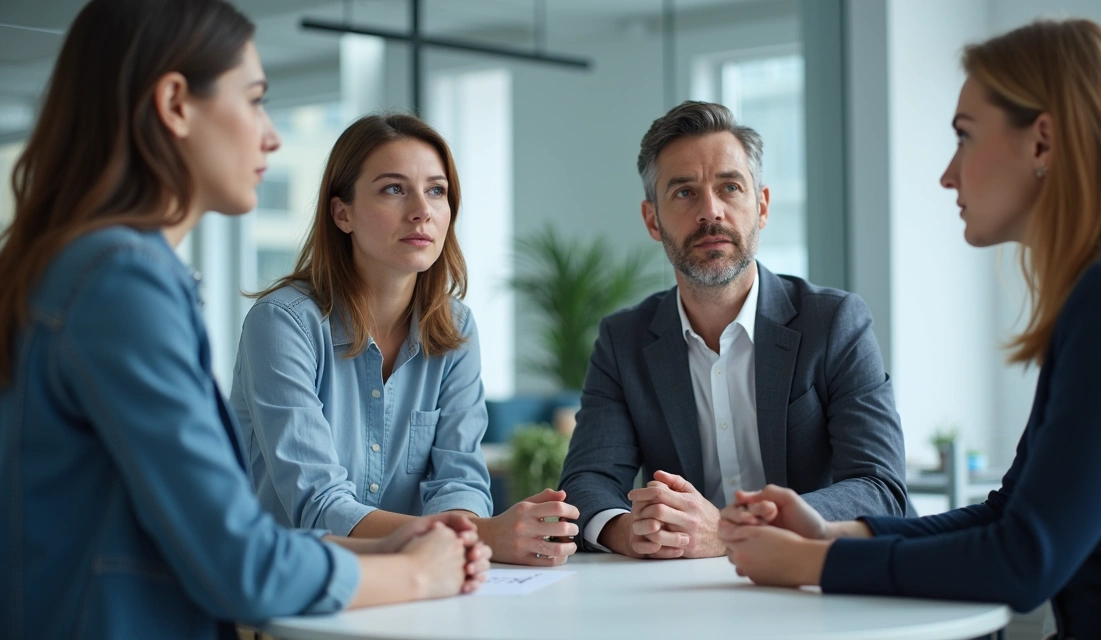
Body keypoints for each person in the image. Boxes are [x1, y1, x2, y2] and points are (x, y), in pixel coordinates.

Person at [0, 2, 491, 638]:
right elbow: (240, 562)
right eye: (255, 99)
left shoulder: (93, 265)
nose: (271, 134)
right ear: (176, 103)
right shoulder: (121, 281)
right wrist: (420, 574)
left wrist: (401, 547)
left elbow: (213, 536)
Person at [720, 19, 1101, 640]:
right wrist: (834, 532)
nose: (948, 174)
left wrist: (813, 563)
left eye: (964, 138)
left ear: (1043, 142)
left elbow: (1023, 561)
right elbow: (1010, 515)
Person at [558, 100, 909, 560]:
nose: (711, 211)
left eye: (730, 187)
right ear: (652, 220)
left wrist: (729, 529)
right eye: (684, 192)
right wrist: (629, 531)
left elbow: (880, 487)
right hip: (685, 600)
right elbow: (588, 481)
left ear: (761, 207)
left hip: (817, 583)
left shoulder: (836, 323)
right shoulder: (624, 341)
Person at [229, 113, 579, 567]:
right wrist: (481, 535)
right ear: (343, 213)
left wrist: (463, 541)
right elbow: (317, 504)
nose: (422, 210)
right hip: (291, 594)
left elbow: (458, 479)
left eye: (436, 190)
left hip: (416, 585)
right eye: (394, 189)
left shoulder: (456, 328)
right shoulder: (282, 323)